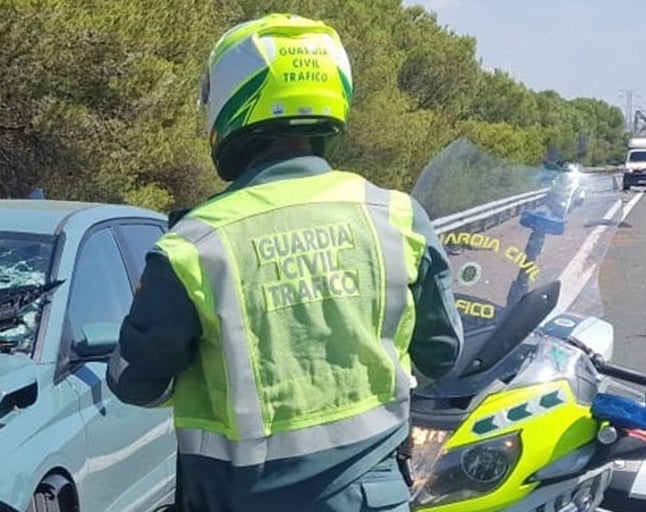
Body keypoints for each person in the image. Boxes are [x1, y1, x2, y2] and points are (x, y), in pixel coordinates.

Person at [106, 13, 463, 512]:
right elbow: (440, 355)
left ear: (228, 104)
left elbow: (134, 382)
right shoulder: (397, 217)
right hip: (371, 499)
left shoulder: (194, 244)